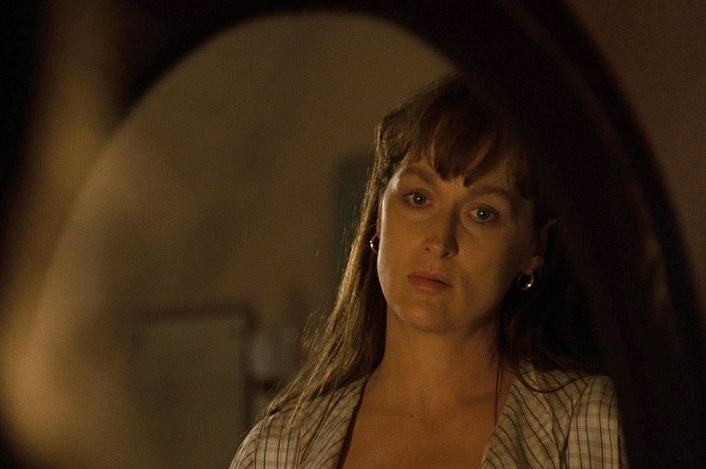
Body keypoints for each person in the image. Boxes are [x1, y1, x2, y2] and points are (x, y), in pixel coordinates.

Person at [229, 74, 626, 468]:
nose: (440, 241)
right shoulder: (277, 451)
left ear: (534, 249)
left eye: (482, 214)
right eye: (418, 199)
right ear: (379, 218)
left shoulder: (588, 425)